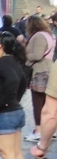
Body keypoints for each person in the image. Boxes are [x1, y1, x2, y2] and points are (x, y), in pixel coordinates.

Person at [24, 15, 55, 143]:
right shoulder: (49, 35)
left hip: (40, 72)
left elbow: (37, 55)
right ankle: (50, 130)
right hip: (48, 70)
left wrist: (24, 54)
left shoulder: (39, 36)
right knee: (48, 104)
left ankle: (38, 131)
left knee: (38, 104)